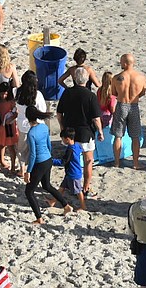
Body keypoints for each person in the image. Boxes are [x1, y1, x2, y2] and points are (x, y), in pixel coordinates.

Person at [56, 66, 104, 196]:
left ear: (74, 79)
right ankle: (85, 187)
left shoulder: (67, 93)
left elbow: (59, 113)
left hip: (70, 132)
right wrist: (100, 131)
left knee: (71, 160)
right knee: (88, 160)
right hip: (85, 133)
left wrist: (62, 127)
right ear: (87, 79)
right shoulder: (90, 96)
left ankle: (71, 186)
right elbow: (96, 118)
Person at [112, 53, 146, 169]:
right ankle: (135, 163)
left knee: (118, 136)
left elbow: (114, 93)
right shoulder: (141, 77)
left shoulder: (116, 78)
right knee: (135, 136)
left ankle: (117, 162)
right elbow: (142, 92)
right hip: (134, 105)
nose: (120, 63)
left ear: (126, 63)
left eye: (122, 61)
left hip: (122, 104)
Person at [48, 127, 87, 212]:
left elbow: (63, 161)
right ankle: (53, 201)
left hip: (73, 174)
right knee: (62, 188)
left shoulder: (70, 150)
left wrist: (51, 161)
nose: (62, 141)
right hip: (71, 172)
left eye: (63, 139)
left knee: (78, 191)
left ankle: (83, 206)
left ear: (67, 139)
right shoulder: (77, 145)